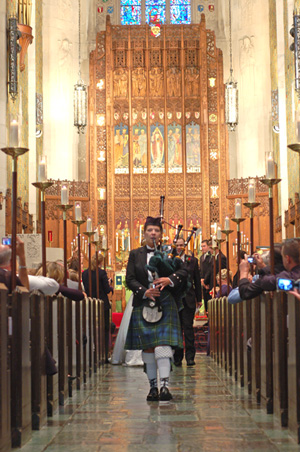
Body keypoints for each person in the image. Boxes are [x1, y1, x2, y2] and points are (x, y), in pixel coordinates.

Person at [125, 216, 188, 401]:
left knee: (163, 345)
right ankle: (153, 387)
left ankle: (165, 387)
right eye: (150, 230)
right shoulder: (135, 254)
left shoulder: (170, 252)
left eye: (157, 230)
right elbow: (130, 279)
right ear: (144, 233)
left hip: (166, 301)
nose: (153, 233)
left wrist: (170, 279)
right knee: (149, 347)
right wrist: (145, 292)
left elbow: (184, 271)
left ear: (161, 234)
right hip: (144, 302)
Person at [173, 237, 202, 367]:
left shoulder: (193, 261)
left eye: (181, 245)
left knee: (188, 328)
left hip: (189, 298)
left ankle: (190, 357)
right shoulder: (171, 260)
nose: (179, 247)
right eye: (177, 245)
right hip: (176, 299)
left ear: (185, 246)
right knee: (177, 329)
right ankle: (177, 357)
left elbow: (197, 281)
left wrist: (199, 299)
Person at [82, 253, 113, 362]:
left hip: (90, 303)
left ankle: (92, 354)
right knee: (104, 329)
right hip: (102, 304)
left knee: (91, 328)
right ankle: (104, 355)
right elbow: (106, 289)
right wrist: (109, 285)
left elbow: (86, 287)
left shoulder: (85, 273)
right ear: (100, 262)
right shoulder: (101, 273)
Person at [199, 239, 212, 313]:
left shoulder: (210, 257)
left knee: (210, 300)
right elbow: (201, 270)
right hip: (203, 282)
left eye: (204, 246)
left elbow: (209, 270)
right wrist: (201, 279)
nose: (202, 248)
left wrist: (205, 281)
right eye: (201, 246)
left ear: (208, 246)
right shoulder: (201, 257)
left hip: (208, 282)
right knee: (206, 300)